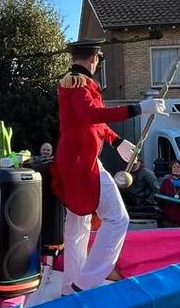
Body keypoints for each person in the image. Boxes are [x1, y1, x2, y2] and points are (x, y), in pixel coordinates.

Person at [52, 39, 166, 293]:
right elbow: (92, 114)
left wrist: (117, 141)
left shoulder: (71, 81)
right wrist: (139, 108)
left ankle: (71, 284)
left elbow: (90, 122)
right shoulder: (81, 84)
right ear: (94, 59)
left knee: (77, 224)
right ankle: (86, 283)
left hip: (74, 160)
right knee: (117, 218)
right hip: (84, 162)